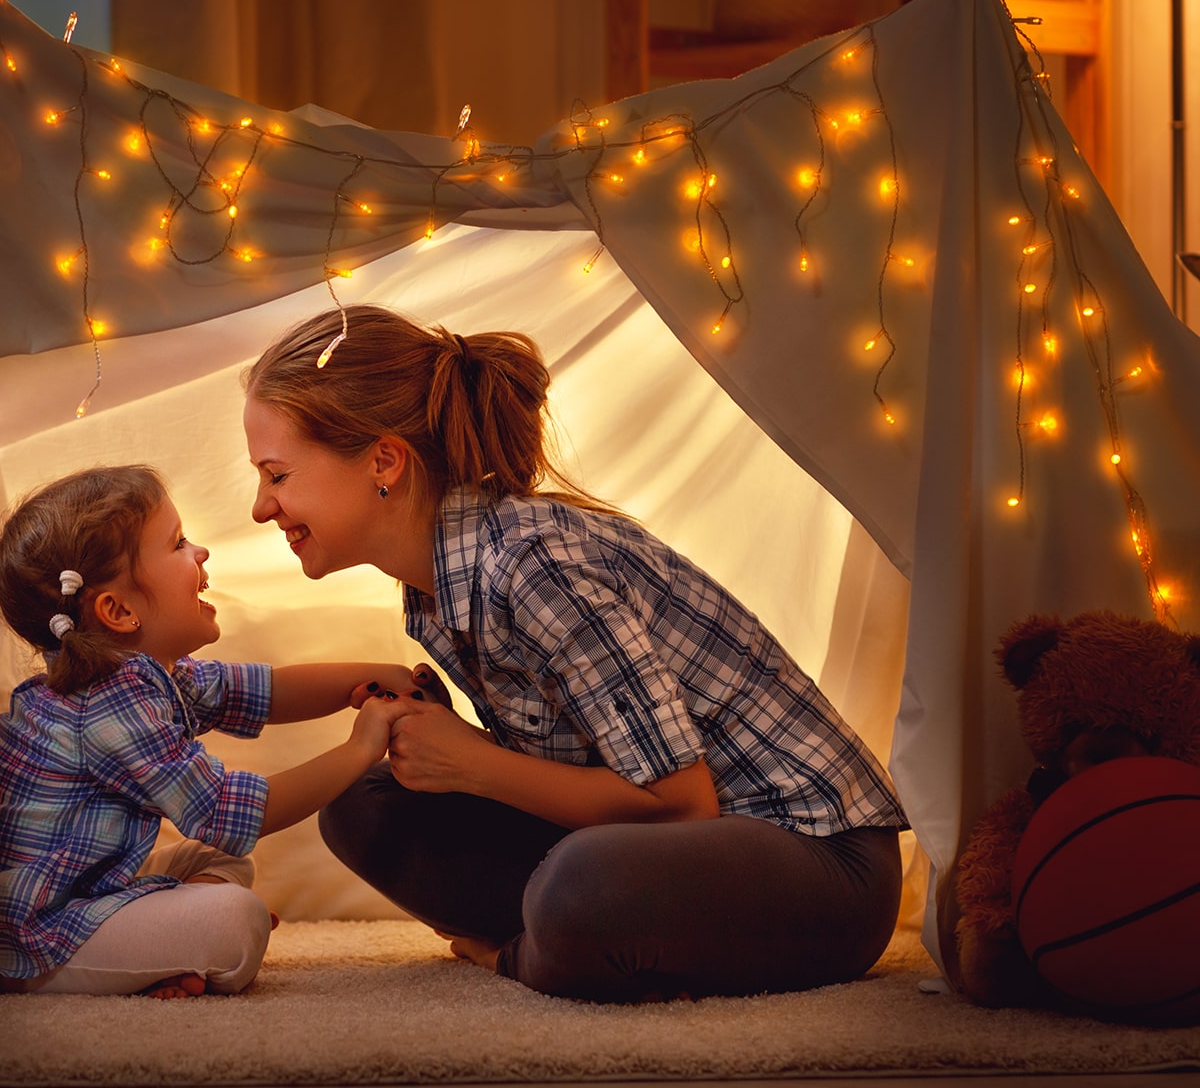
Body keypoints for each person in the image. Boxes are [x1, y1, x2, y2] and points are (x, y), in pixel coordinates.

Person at [241, 305, 909, 1003]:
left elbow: (681, 806)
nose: (262, 508)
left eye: (277, 475)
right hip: (667, 850)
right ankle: (581, 942)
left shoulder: (533, 565)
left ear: (383, 461)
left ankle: (527, 956)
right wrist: (452, 751)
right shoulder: (434, 588)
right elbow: (583, 766)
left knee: (582, 886)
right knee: (363, 806)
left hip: (817, 863)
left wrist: (475, 764)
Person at [0, 464, 423, 999]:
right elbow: (227, 812)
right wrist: (361, 748)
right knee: (237, 921)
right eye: (178, 542)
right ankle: (166, 947)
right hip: (34, 929)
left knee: (217, 861)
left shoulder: (144, 677)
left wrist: (371, 676)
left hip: (83, 884)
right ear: (118, 611)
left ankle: (167, 948)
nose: (200, 552)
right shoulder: (106, 706)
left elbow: (264, 692)